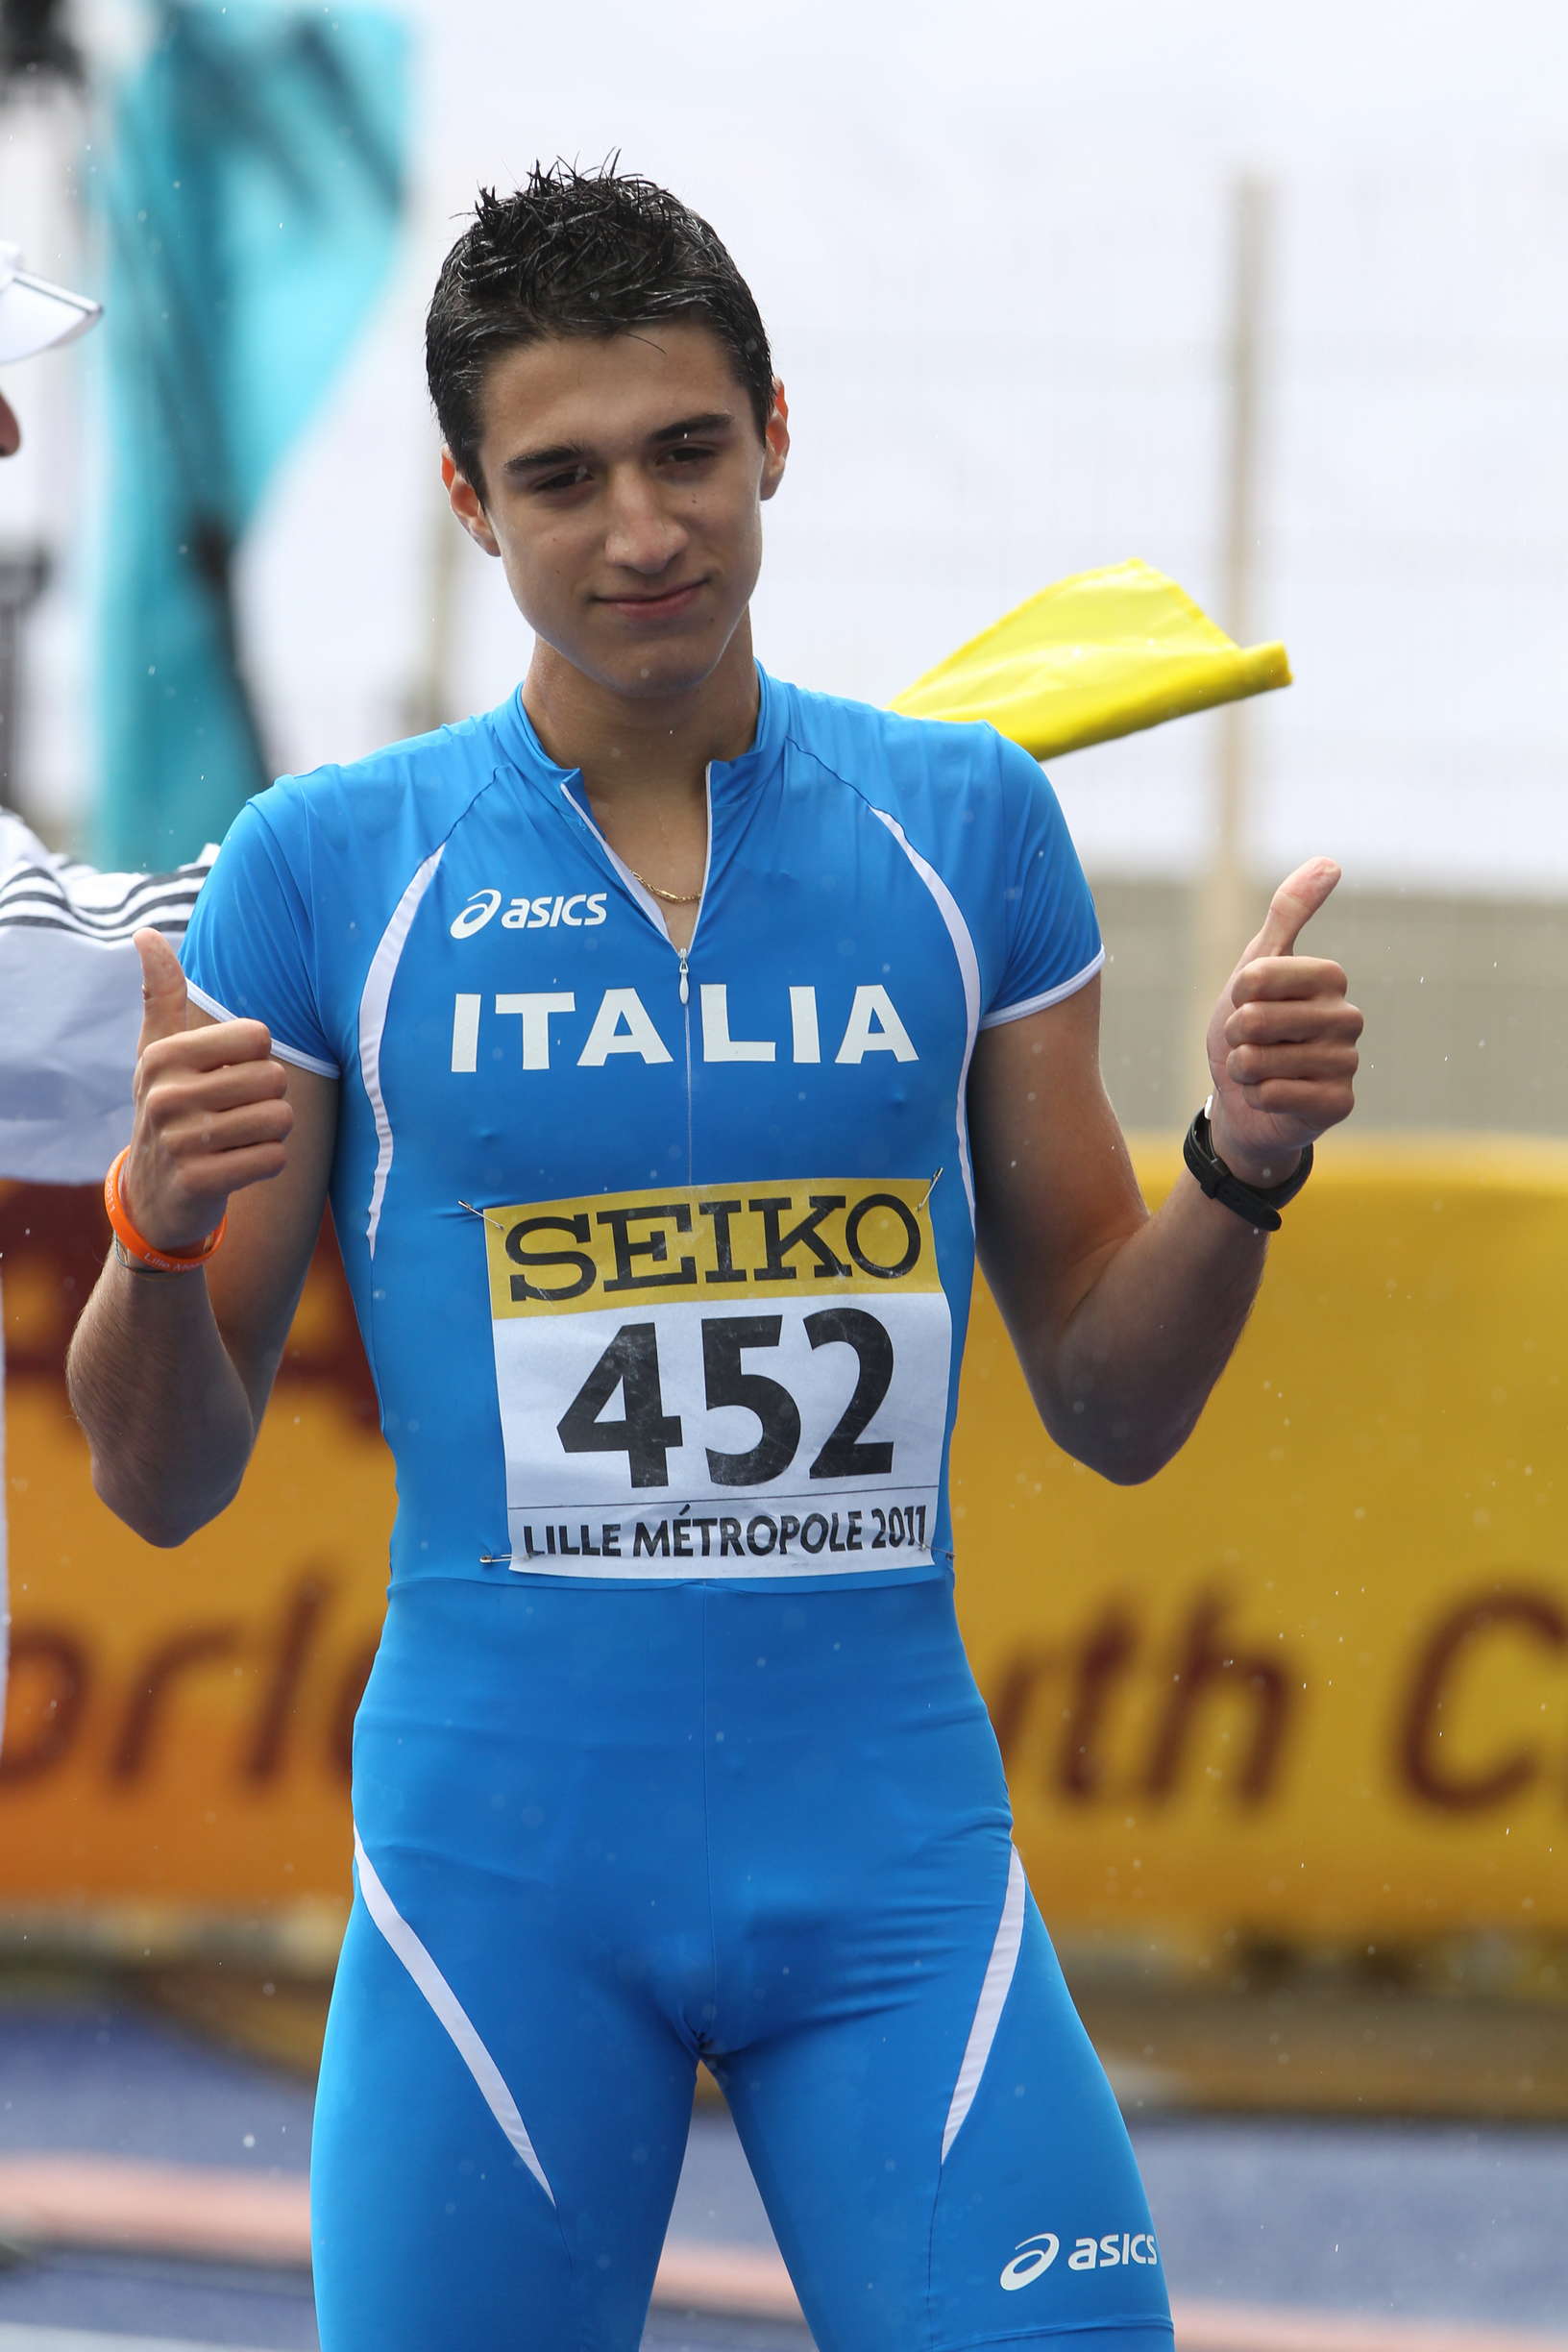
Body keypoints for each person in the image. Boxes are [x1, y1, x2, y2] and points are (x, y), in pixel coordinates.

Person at [67, 164, 1361, 2352]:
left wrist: (1240, 1165)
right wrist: (152, 1235)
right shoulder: (327, 869)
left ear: (775, 433)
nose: (642, 530)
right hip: (497, 1892)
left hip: (893, 1878)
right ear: (470, 503)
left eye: (686, 452)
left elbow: (1117, 1406)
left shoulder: (969, 830)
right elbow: (162, 1477)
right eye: (562, 479)